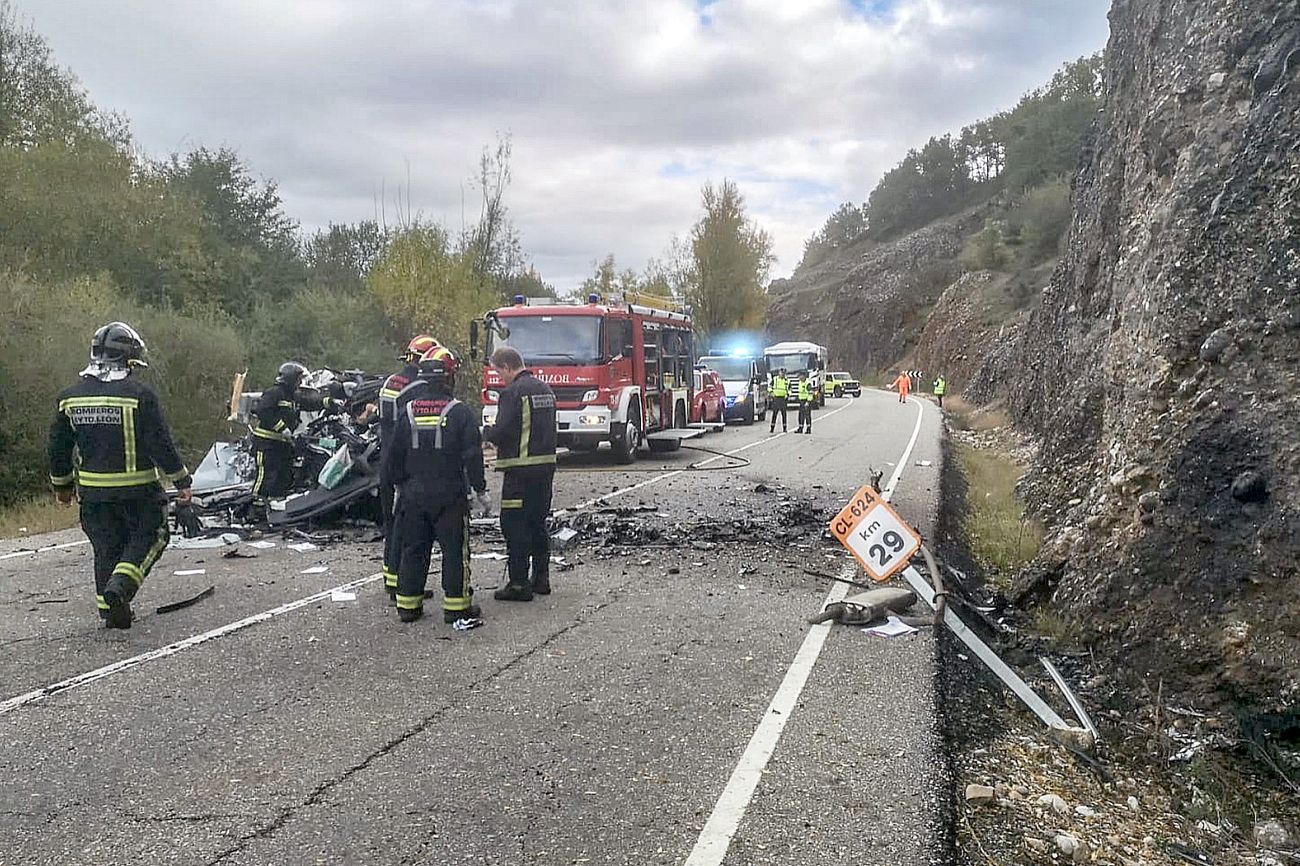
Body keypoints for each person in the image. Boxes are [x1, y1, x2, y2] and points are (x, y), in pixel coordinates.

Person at [48, 322, 191, 629]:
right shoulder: (139, 395)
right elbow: (160, 444)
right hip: (138, 493)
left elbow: (58, 448)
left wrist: (62, 486)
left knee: (106, 547)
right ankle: (121, 587)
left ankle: (111, 611)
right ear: (129, 358)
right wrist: (181, 482)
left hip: (93, 495)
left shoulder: (69, 397)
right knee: (153, 536)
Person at [383, 347, 490, 623]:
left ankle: (408, 606)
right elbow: (473, 455)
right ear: (449, 377)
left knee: (413, 550)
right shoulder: (460, 412)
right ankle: (456, 607)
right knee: (454, 551)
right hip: (450, 496)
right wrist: (480, 490)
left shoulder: (407, 411)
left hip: (413, 495)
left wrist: (398, 485)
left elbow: (394, 454)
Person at [482, 347, 557, 602]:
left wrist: (485, 432)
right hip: (545, 469)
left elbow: (503, 430)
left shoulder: (512, 393)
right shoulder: (545, 390)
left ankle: (518, 585)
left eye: (498, 371)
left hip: (519, 472)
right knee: (537, 523)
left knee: (514, 526)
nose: (499, 377)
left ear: (506, 366)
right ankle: (541, 579)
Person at [377, 335, 440, 596]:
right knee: (405, 530)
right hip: (405, 466)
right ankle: (402, 585)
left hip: (386, 461)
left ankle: (392, 581)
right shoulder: (417, 388)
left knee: (392, 526)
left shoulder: (392, 381)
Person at [249, 361, 342, 521]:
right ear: (291, 378)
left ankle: (274, 508)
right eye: (298, 380)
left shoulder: (292, 396)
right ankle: (256, 509)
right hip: (266, 443)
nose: (300, 383)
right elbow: (263, 411)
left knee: (282, 475)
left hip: (282, 444)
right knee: (266, 474)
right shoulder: (274, 393)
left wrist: (329, 402)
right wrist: (281, 427)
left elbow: (310, 403)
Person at [769, 368, 789, 433]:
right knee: (774, 413)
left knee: (784, 414)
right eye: (781, 373)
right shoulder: (775, 379)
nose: (782, 374)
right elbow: (770, 387)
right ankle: (772, 428)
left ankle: (784, 428)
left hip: (783, 399)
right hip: (776, 398)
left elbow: (790, 389)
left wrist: (787, 395)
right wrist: (771, 392)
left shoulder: (787, 381)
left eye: (783, 373)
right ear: (779, 373)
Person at [796, 370, 814, 435]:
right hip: (801, 401)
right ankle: (800, 428)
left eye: (800, 376)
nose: (799, 378)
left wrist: (808, 402)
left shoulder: (808, 383)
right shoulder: (800, 383)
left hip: (806, 401)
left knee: (807, 415)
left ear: (803, 376)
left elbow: (810, 393)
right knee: (801, 415)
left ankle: (808, 428)